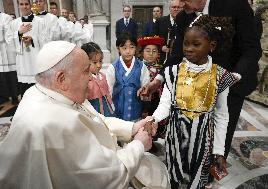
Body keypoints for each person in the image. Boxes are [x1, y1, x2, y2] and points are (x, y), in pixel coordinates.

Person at [0, 41, 169, 189]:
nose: (91, 77)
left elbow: (95, 118)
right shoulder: (53, 123)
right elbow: (108, 178)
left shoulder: (49, 92)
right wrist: (138, 144)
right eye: (85, 71)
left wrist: (133, 127)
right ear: (61, 79)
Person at [141, 0, 262, 161]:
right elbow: (177, 54)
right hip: (195, 84)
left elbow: (251, 49)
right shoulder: (184, 17)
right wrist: (158, 80)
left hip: (230, 84)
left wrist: (234, 77)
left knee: (220, 131)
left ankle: (210, 171)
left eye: (186, 0)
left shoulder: (235, 5)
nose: (182, 5)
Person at [149, 15, 238, 188]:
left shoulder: (220, 76)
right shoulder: (173, 72)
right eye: (185, 43)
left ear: (211, 46)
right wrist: (154, 119)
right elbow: (165, 103)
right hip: (176, 135)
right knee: (174, 175)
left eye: (196, 44)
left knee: (197, 179)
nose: (188, 49)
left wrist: (219, 151)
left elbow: (221, 115)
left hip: (203, 139)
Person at [106, 32, 150, 121]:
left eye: (132, 47)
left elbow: (146, 88)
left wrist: (145, 108)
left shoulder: (141, 67)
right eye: (124, 48)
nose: (128, 51)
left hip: (136, 111)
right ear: (118, 48)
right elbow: (108, 91)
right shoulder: (113, 67)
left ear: (136, 48)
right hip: (117, 113)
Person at [6, 0, 47, 96]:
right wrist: (19, 33)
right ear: (18, 6)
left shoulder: (40, 22)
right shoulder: (14, 23)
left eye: (26, 4)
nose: (24, 7)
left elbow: (46, 40)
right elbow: (8, 41)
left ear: (30, 5)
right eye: (21, 4)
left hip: (36, 61)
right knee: (25, 94)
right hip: (23, 63)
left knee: (40, 93)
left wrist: (33, 40)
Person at [81, 42, 115, 117]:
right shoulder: (84, 79)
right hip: (93, 110)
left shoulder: (103, 76)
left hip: (106, 109)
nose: (99, 65)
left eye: (100, 61)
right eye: (95, 62)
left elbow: (108, 94)